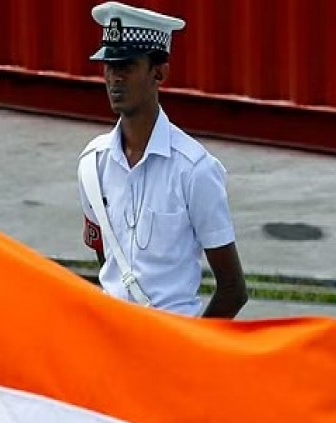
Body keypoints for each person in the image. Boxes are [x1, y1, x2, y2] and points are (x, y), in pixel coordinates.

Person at [78, 1, 247, 318]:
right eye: (109, 66)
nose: (114, 78)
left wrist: (189, 352)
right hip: (113, 338)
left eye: (126, 66)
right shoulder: (92, 164)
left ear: (159, 72)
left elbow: (233, 289)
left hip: (171, 340)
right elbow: (107, 258)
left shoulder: (195, 170)